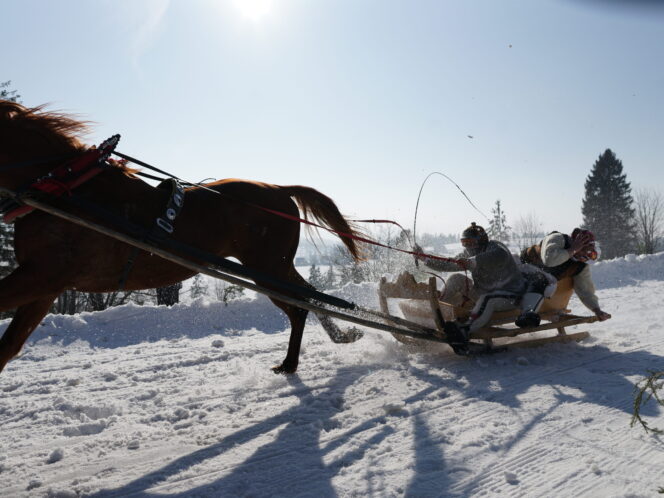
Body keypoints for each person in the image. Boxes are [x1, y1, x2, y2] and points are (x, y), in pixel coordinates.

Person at [414, 222, 555, 354]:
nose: (467, 247)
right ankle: (438, 315)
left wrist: (472, 262)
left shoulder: (496, 248)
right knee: (455, 279)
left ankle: (465, 330)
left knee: (488, 299)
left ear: (481, 241)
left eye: (470, 243)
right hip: (482, 293)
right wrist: (424, 258)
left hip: (510, 296)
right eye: (464, 243)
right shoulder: (468, 254)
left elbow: (497, 256)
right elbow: (449, 264)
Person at [520, 228, 611, 321]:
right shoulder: (557, 239)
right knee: (542, 280)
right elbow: (549, 260)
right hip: (523, 268)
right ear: (576, 243)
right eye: (584, 249)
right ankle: (527, 314)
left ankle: (530, 313)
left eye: (589, 252)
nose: (585, 255)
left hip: (544, 280)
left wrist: (597, 310)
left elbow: (585, 290)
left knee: (547, 281)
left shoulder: (580, 265)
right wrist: (572, 250)